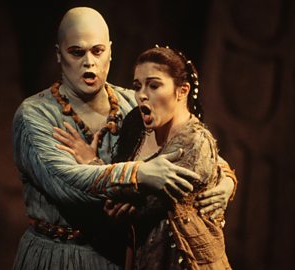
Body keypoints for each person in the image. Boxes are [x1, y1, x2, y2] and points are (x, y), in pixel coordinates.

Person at [12, 7, 236, 270]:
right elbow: (67, 184)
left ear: (110, 52)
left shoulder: (132, 103)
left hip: (120, 257)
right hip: (58, 257)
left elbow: (190, 150)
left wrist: (225, 180)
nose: (89, 62)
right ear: (59, 54)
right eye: (77, 52)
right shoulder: (35, 115)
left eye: (97, 51)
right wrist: (138, 176)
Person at [54, 46, 236, 269]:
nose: (141, 94)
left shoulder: (194, 142)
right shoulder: (136, 124)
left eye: (154, 85)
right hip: (142, 257)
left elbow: (144, 203)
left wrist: (93, 164)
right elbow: (124, 191)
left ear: (182, 91)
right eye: (137, 86)